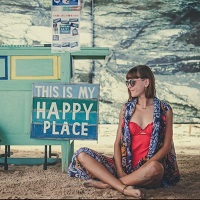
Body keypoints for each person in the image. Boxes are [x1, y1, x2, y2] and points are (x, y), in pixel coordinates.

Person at [67, 65, 180, 198]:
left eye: (132, 82)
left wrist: (145, 168)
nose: (129, 86)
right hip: (126, 166)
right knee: (82, 154)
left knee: (156, 168)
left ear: (146, 82)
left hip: (149, 168)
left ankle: (108, 184)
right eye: (127, 83)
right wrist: (120, 171)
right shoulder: (126, 109)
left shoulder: (165, 109)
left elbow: (166, 147)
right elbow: (117, 143)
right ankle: (124, 187)